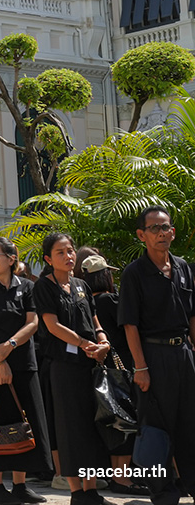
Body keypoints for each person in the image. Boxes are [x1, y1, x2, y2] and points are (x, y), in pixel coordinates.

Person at [120, 206, 195, 505]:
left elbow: (192, 316)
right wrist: (141, 367)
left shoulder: (184, 267)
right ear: (142, 235)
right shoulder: (134, 273)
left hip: (184, 355)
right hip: (153, 355)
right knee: (156, 429)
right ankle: (163, 493)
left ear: (173, 232)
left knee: (190, 424)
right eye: (155, 228)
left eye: (166, 227)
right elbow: (130, 324)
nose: (162, 233)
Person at [0, 236, 50, 504]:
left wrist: (11, 345)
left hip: (23, 363)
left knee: (24, 421)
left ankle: (20, 485)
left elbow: (33, 322)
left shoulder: (26, 287)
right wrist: (0, 361)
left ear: (11, 258)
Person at [34, 231, 111, 504]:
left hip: (88, 365)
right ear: (48, 258)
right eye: (61, 252)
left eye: (70, 251)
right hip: (63, 367)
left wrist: (102, 340)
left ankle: (92, 489)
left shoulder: (81, 285)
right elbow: (52, 326)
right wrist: (83, 343)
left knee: (91, 427)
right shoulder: (44, 286)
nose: (68, 256)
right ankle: (76, 491)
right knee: (69, 429)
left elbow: (94, 318)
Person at [83, 255, 141, 496]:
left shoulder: (89, 303)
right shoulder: (110, 301)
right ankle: (123, 478)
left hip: (101, 371)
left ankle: (118, 477)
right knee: (126, 422)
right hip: (122, 369)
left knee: (114, 423)